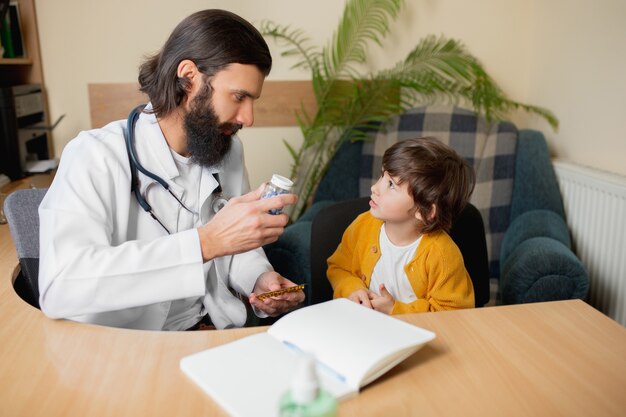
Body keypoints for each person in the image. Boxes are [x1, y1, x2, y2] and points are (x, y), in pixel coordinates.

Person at [38, 9, 304, 330]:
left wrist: (259, 279)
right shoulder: (96, 156)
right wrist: (204, 243)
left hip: (210, 332)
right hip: (126, 345)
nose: (248, 118)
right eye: (238, 97)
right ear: (189, 76)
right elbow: (61, 285)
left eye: (253, 100)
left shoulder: (227, 149)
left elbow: (234, 246)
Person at [327, 137, 475, 314]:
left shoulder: (442, 255)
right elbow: (338, 267)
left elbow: (453, 313)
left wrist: (395, 310)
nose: (375, 187)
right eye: (383, 175)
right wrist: (352, 289)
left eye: (391, 185)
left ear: (425, 211)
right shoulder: (362, 225)